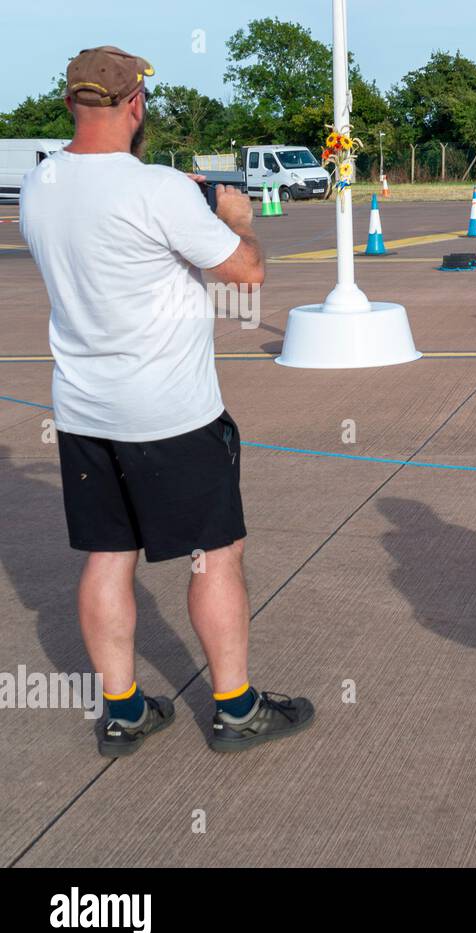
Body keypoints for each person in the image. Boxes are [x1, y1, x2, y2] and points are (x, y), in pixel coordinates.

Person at [19, 46, 316, 754]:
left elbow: (108, 223)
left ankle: (123, 710)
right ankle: (237, 709)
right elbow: (245, 275)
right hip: (171, 413)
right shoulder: (156, 191)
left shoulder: (41, 184)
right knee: (215, 552)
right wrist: (236, 216)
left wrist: (175, 200)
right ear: (135, 105)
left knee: (107, 554)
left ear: (70, 104)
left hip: (87, 409)